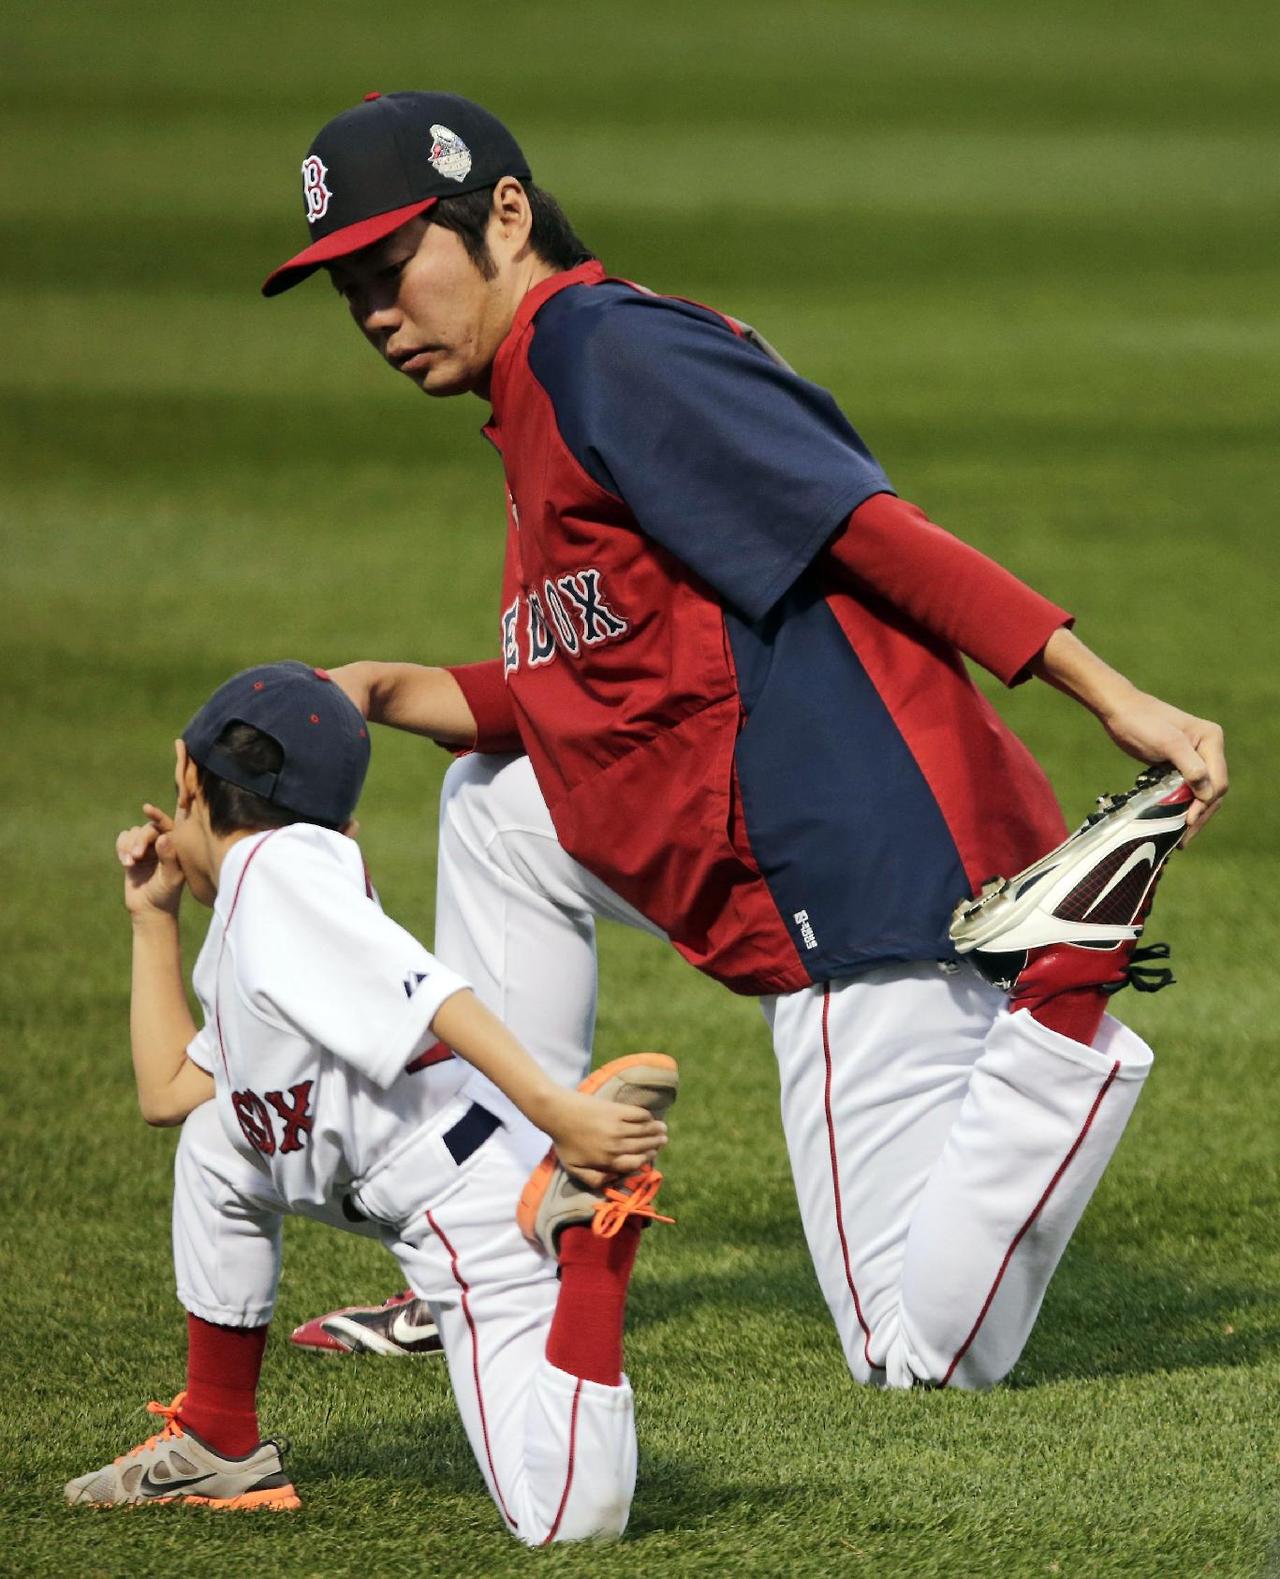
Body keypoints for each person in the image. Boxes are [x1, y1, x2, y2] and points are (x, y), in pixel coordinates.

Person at [263, 93, 1228, 1387]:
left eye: (393, 267)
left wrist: (1106, 689)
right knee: (496, 806)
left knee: (920, 1357)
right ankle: (511, 1237)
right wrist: (390, 687)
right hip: (792, 811)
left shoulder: (606, 352)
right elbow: (602, 673)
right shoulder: (545, 387)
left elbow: (870, 529)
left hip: (852, 865)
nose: (378, 312)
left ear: (504, 213)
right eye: (350, 293)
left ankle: (1065, 997)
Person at [67, 660, 677, 1543]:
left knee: (568, 1522)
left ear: (186, 773)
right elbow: (169, 1093)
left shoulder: (276, 876)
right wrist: (152, 915)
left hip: (466, 1201)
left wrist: (559, 1113)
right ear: (344, 821)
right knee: (214, 1141)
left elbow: (434, 995)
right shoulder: (261, 898)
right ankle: (216, 1439)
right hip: (378, 1169)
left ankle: (590, 1245)